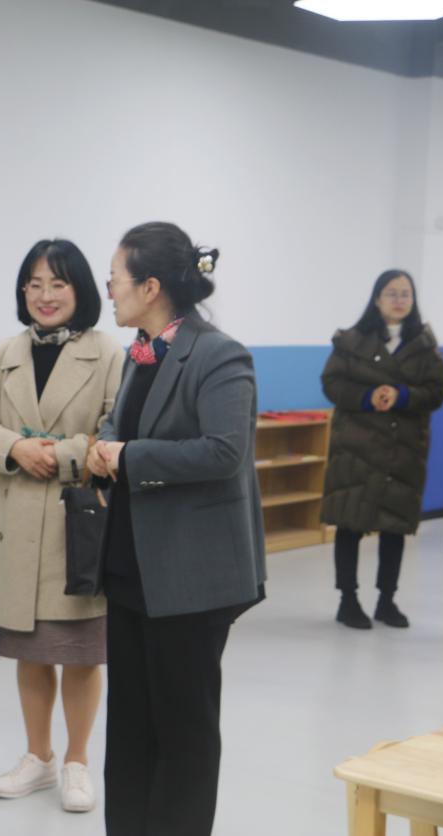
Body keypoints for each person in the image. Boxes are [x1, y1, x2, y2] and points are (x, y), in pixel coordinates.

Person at [86, 222, 266, 836]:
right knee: (130, 726)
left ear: (151, 286)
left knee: (183, 731)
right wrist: (105, 450)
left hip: (191, 577)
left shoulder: (220, 355)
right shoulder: (138, 352)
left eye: (116, 278)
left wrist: (128, 457)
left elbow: (224, 451)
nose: (109, 289)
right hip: (130, 566)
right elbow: (120, 426)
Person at [0, 239, 124, 813]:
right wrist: (14, 448)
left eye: (58, 283)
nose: (45, 295)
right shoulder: (2, 355)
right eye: (34, 284)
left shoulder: (109, 354)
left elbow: (116, 432)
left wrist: (58, 455)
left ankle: (77, 762)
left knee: (80, 651)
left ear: (80, 290)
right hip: (17, 518)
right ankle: (39, 756)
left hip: (77, 520)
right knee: (30, 650)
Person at [319, 269, 443, 629]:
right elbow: (331, 383)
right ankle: (348, 600)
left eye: (406, 294)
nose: (399, 300)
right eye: (391, 293)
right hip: (356, 447)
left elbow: (437, 391)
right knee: (350, 523)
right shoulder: (351, 340)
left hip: (402, 449)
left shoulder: (424, 344)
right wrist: (366, 396)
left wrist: (403, 396)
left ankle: (386, 600)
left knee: (394, 527)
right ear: (377, 299)